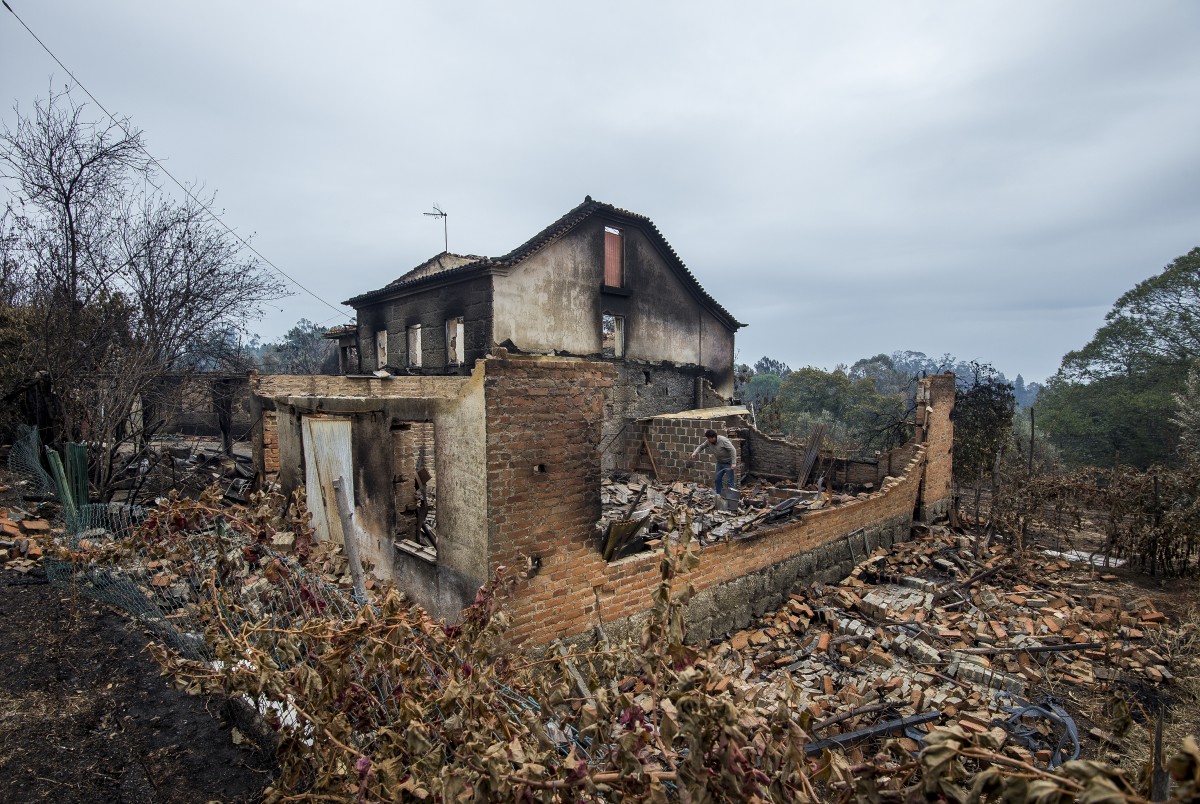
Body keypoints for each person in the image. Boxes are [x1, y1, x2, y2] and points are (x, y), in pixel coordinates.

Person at [690, 429, 737, 495]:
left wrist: (734, 463)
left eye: (709, 438)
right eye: (708, 438)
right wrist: (695, 453)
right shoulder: (708, 442)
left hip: (728, 463)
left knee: (730, 481)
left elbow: (733, 450)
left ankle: (732, 497)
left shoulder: (723, 440)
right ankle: (719, 495)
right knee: (717, 479)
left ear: (714, 437)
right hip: (720, 463)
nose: (708, 440)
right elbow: (701, 446)